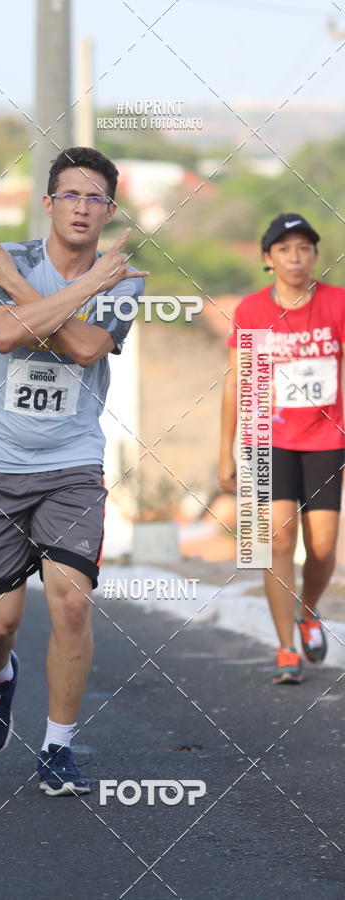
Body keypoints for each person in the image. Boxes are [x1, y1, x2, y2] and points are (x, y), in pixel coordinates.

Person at [0, 146, 147, 796]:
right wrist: (76, 289)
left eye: (96, 198)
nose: (83, 208)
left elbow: (89, 349)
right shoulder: (4, 255)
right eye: (72, 195)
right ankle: (0, 678)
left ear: (110, 210)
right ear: (49, 204)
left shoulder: (126, 280)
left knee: (70, 603)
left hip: (69, 463)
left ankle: (56, 749)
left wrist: (49, 291)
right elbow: (6, 335)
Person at [219, 213, 345, 684]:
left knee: (324, 545)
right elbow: (237, 383)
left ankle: (308, 612)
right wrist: (224, 450)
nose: (296, 257)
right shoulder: (252, 311)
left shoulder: (337, 304)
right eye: (285, 249)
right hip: (264, 436)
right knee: (275, 539)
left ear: (315, 255)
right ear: (268, 259)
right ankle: (286, 649)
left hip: (328, 437)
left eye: (304, 248)